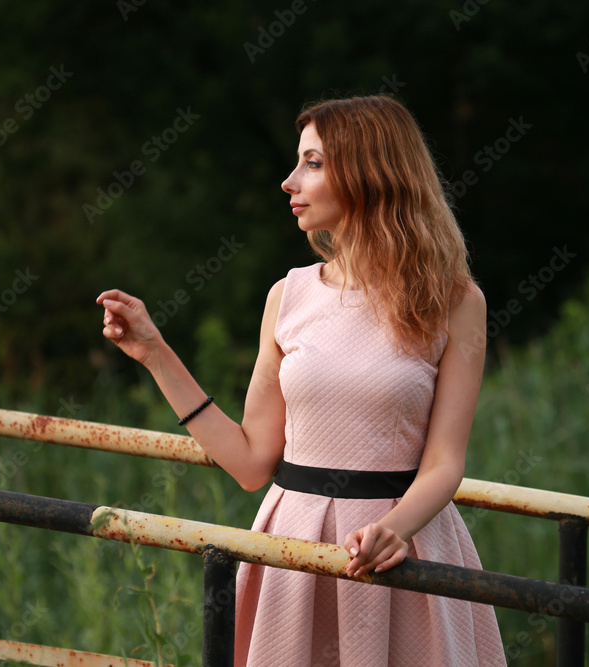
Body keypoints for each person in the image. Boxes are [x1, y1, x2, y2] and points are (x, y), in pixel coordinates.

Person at [96, 95, 505, 666]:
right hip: (293, 547)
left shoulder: (456, 301)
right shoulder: (288, 295)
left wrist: (393, 529)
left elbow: (444, 462)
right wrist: (155, 354)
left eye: (312, 163)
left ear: (371, 173)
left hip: (402, 550)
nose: (289, 181)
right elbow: (250, 463)